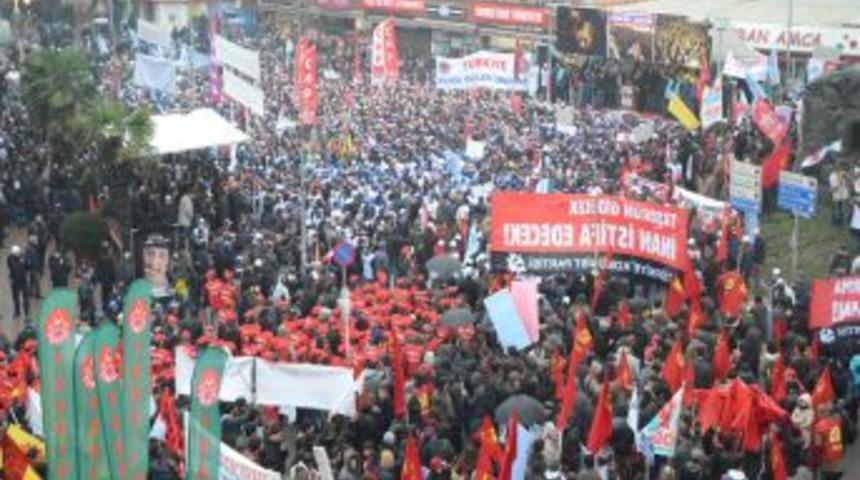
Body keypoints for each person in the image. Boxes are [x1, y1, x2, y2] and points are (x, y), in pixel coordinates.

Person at [7, 245, 28, 318]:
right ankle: (17, 311)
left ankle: (26, 312)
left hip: (23, 280)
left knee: (25, 297)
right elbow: (11, 267)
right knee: (16, 297)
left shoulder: (23, 258)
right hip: (15, 280)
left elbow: (27, 266)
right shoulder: (10, 258)